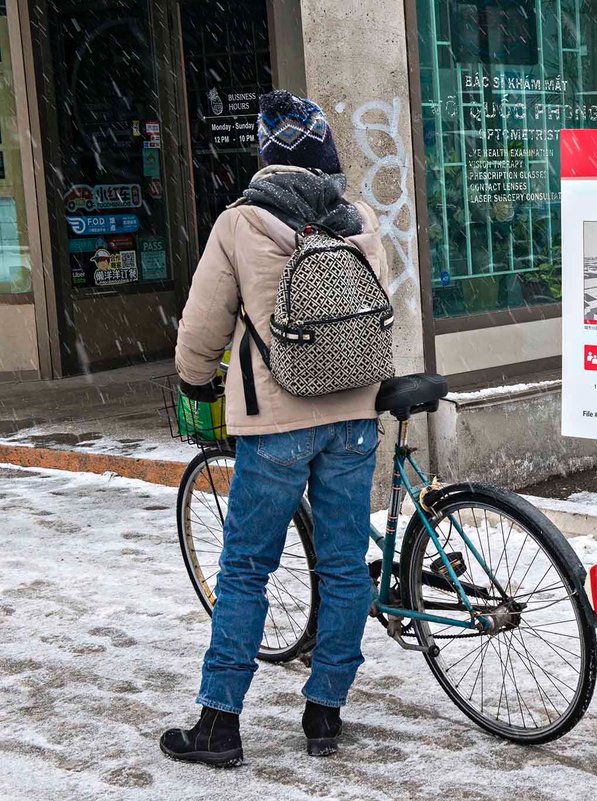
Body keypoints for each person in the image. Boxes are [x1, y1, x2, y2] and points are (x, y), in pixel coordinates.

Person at [162, 90, 391, 767]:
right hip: (353, 412)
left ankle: (219, 723)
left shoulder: (240, 224)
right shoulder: (361, 218)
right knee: (346, 567)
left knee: (247, 568)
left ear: (266, 158)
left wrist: (196, 379)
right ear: (325, 156)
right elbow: (377, 306)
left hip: (277, 421)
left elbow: (203, 326)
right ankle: (325, 713)